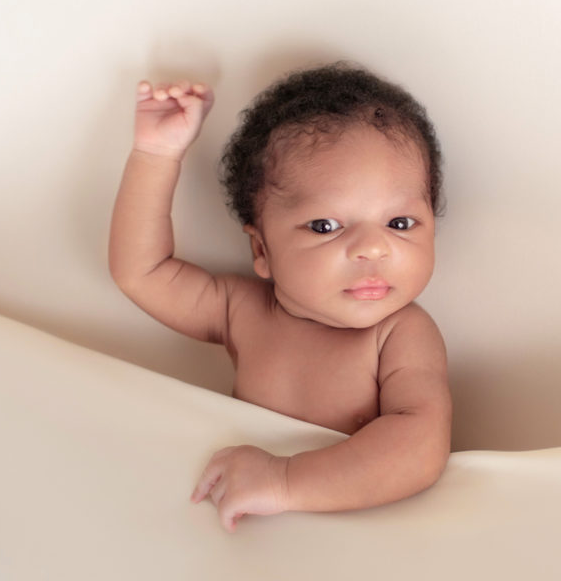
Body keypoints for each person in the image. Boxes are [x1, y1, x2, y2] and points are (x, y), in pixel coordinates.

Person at [109, 63, 452, 532]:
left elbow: (420, 446)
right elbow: (140, 272)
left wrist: (284, 480)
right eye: (325, 226)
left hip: (355, 534)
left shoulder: (400, 334)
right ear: (262, 249)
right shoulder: (241, 311)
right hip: (242, 527)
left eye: (400, 223)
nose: (375, 248)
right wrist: (155, 155)